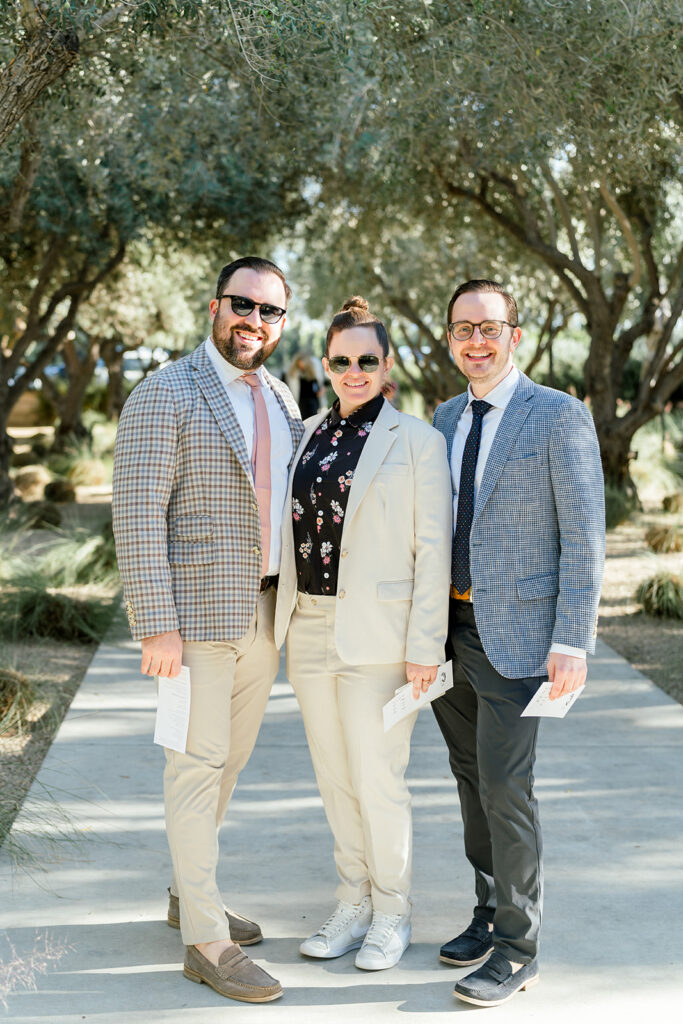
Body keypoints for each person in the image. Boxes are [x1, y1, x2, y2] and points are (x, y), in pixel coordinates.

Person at [112, 256, 303, 1004]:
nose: (254, 321)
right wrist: (155, 626)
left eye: (270, 311)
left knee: (228, 763)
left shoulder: (281, 399)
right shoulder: (166, 392)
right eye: (242, 305)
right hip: (191, 624)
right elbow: (135, 515)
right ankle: (205, 941)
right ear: (215, 305)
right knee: (195, 768)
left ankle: (185, 894)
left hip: (262, 615)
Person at [431, 279, 605, 1007]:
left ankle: (517, 945)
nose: (477, 340)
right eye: (463, 328)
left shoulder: (557, 416)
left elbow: (583, 536)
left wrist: (572, 639)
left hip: (522, 638)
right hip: (448, 632)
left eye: (490, 327)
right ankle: (485, 910)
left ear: (515, 336)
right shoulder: (441, 418)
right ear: (448, 338)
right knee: (470, 782)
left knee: (506, 786)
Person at [274, 296, 452, 971]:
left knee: (378, 778)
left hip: (381, 638)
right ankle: (351, 902)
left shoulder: (418, 441)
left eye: (366, 360)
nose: (353, 370)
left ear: (386, 366)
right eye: (341, 360)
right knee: (334, 778)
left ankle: (392, 911)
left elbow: (431, 549)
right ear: (325, 364)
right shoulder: (308, 431)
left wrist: (423, 647)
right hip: (310, 628)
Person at [286, 350, 324, 417]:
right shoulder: (294, 375)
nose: (302, 366)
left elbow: (318, 386)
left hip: (313, 403)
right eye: (300, 363)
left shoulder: (312, 374)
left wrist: (320, 391)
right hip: (301, 404)